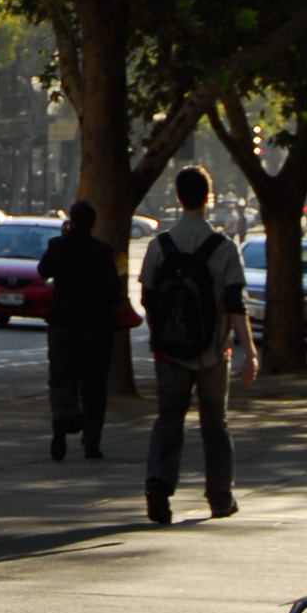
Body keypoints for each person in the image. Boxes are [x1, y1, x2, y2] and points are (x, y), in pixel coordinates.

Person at [140, 165, 257, 524]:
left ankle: (159, 482)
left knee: (168, 418)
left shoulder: (159, 246)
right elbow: (236, 303)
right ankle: (220, 496)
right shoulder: (223, 248)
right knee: (215, 424)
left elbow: (147, 297)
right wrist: (248, 352)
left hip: (168, 352)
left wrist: (165, 332)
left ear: (178, 197)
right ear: (209, 198)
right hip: (211, 353)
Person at [39, 200, 123, 461]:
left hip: (63, 323)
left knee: (61, 377)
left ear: (71, 221)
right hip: (97, 327)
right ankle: (92, 442)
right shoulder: (102, 251)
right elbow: (113, 290)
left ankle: (64, 418)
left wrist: (63, 237)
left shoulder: (58, 246)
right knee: (95, 385)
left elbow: (43, 271)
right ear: (93, 223)